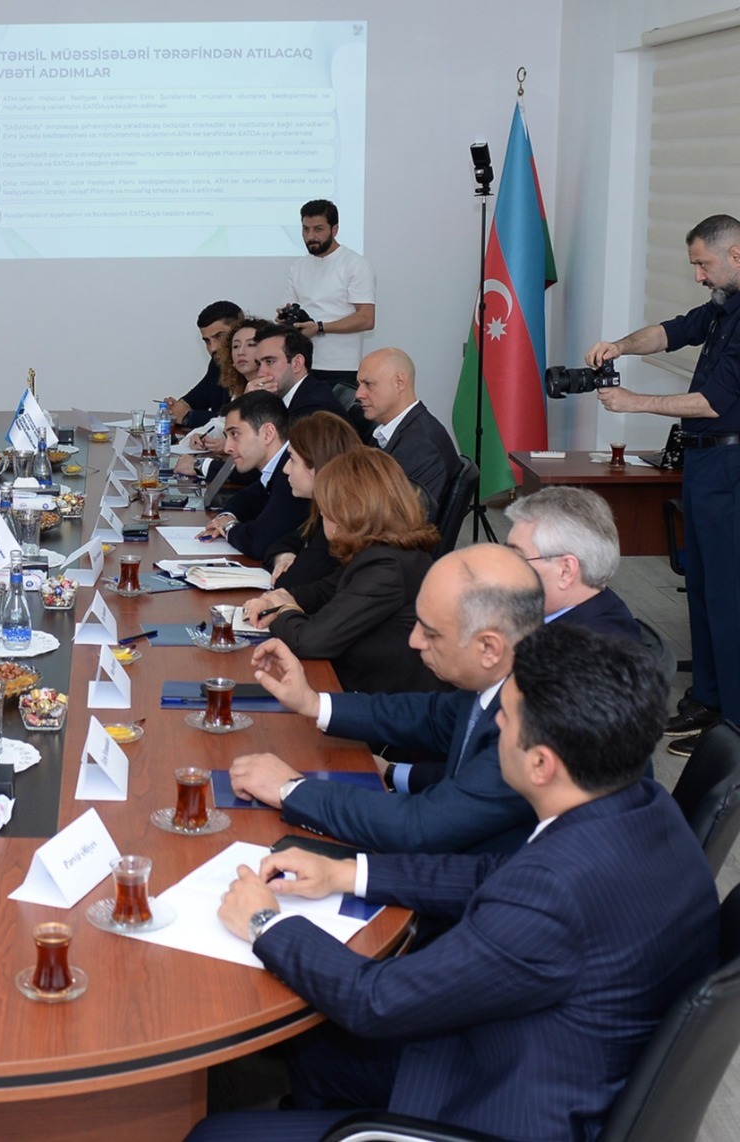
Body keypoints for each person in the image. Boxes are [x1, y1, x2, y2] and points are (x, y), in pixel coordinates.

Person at [200, 623, 718, 1142]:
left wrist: (265, 923)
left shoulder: (553, 893)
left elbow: (376, 1000)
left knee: (214, 1133)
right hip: (550, 1052)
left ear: (541, 763)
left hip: (499, 1104)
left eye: (506, 718)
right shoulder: (648, 807)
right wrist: (348, 872)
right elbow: (489, 872)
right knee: (315, 1046)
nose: (494, 724)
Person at [229, 545, 543, 853]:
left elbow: (421, 825)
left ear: (489, 648)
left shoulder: (528, 727)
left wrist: (291, 790)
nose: (414, 640)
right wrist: (312, 703)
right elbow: (429, 715)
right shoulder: (499, 684)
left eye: (431, 633)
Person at [586, 213, 740, 755]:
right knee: (701, 585)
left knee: (729, 595)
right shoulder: (723, 304)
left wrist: (634, 403)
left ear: (736, 255)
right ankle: (708, 699)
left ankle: (732, 727)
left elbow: (712, 403)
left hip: (730, 466)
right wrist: (620, 345)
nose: (698, 275)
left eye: (703, 264)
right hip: (703, 463)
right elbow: (671, 331)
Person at [243, 449, 443, 693]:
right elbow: (324, 591)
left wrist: (282, 610)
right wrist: (278, 599)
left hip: (379, 701)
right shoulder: (382, 551)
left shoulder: (386, 568)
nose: (321, 514)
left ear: (345, 511)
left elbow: (309, 641)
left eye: (325, 506)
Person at [504, 486, 639, 640]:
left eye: (519, 557)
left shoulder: (588, 648)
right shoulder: (590, 607)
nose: (505, 567)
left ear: (566, 571)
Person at [259, 411, 366, 593]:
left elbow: (289, 583)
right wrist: (284, 557)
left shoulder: (339, 521)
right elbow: (283, 542)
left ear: (316, 466)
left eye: (292, 460)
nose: (285, 469)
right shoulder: (327, 508)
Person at [195, 392, 307, 561]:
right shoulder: (275, 467)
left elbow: (259, 541)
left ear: (268, 433)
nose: (227, 448)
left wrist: (229, 527)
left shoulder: (292, 475)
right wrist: (226, 517)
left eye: (235, 434)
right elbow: (245, 499)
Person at [280, 198, 376, 392]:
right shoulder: (298, 267)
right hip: (302, 364)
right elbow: (289, 308)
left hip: (341, 367)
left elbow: (366, 319)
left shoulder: (356, 265)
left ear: (335, 229)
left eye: (318, 229)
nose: (311, 236)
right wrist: (285, 318)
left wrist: (319, 328)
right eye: (306, 229)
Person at [352, 347, 460, 509]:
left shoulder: (423, 448)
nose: (359, 394)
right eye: (359, 385)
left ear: (400, 383)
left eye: (368, 384)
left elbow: (401, 518)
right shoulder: (399, 431)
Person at [176, 317, 272, 471]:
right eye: (235, 346)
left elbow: (264, 446)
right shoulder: (241, 386)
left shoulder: (271, 388)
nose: (241, 352)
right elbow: (221, 423)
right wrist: (199, 435)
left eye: (251, 345)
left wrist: (229, 444)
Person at [164, 300, 243, 428]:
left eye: (219, 337)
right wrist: (177, 407)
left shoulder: (254, 366)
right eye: (207, 341)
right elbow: (196, 399)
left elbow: (239, 421)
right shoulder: (218, 364)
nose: (212, 348)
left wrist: (188, 416)